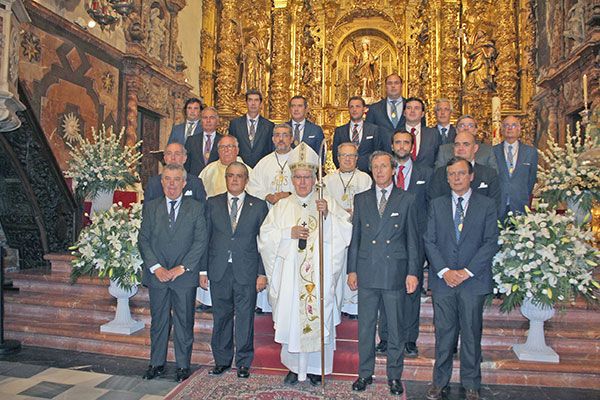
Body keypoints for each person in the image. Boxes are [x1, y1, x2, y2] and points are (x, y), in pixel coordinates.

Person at [258, 143, 352, 386]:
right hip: (291, 277)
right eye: (298, 177)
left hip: (318, 277)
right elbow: (265, 238)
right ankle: (293, 367)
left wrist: (328, 217)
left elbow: (346, 233)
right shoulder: (281, 207)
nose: (302, 182)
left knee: (316, 318)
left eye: (307, 177)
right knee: (293, 320)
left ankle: (314, 369)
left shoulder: (326, 201)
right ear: (292, 179)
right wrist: (287, 233)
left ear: (314, 179)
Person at [424, 157, 499, 400]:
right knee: (444, 334)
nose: (456, 178)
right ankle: (440, 382)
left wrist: (466, 272)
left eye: (461, 173)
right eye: (452, 174)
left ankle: (471, 384)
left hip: (472, 282)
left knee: (471, 333)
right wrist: (445, 271)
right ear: (447, 178)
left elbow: (490, 242)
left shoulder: (486, 205)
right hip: (443, 281)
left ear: (471, 176)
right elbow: (430, 241)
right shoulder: (437, 204)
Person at [347, 151, 419, 396]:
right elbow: (355, 238)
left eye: (384, 167)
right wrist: (352, 269)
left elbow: (413, 241)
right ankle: (364, 374)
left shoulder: (406, 199)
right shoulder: (361, 199)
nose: (379, 171)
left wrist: (412, 272)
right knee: (365, 328)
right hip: (367, 272)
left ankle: (394, 376)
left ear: (393, 169)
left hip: (394, 273)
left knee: (396, 329)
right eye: (375, 167)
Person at [138, 164, 207, 383]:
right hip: (157, 275)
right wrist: (155, 267)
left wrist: (182, 267)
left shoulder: (195, 208)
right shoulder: (151, 207)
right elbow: (144, 239)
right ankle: (156, 363)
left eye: (176, 179)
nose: (171, 184)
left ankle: (182, 366)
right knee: (158, 321)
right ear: (162, 181)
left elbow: (200, 241)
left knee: (184, 322)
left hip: (183, 277)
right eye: (167, 179)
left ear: (184, 183)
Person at [202, 162, 269, 379]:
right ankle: (221, 361)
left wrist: (262, 273)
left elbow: (264, 243)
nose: (234, 179)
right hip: (219, 269)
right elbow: (205, 238)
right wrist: (203, 270)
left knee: (245, 317)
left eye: (239, 176)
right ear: (226, 178)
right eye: (230, 175)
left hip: (246, 271)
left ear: (246, 179)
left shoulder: (258, 205)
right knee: (221, 317)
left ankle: (243, 362)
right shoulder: (212, 203)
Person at [377, 131, 433, 357]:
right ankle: (386, 337)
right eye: (397, 142)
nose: (401, 146)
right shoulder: (383, 174)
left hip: (414, 241)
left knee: (411, 292)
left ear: (412, 146)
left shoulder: (425, 174)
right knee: (385, 290)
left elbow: (431, 209)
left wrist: (427, 246)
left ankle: (410, 339)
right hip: (387, 242)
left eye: (406, 142)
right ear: (391, 145)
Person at [247, 123, 296, 313]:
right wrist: (269, 195)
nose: (281, 139)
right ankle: (264, 303)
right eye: (277, 135)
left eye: (285, 135)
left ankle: (287, 302)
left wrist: (289, 194)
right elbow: (253, 186)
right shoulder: (264, 163)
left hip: (291, 219)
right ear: (273, 138)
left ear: (291, 138)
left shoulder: (300, 159)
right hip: (269, 219)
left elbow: (310, 184)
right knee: (266, 252)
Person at [198, 135, 252, 309]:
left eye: (230, 147)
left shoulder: (248, 170)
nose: (226, 150)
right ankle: (208, 301)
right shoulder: (208, 170)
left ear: (237, 150)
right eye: (222, 147)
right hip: (216, 235)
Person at [323, 142, 372, 319]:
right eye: (344, 156)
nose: (347, 159)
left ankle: (353, 307)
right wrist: (342, 213)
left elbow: (368, 203)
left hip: (357, 229)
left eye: (351, 156)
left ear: (357, 159)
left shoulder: (365, 179)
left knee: (354, 265)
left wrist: (354, 212)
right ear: (337, 158)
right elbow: (324, 204)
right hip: (335, 232)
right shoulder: (328, 180)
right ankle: (336, 305)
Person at [428, 130, 502, 215]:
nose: (461, 148)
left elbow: (494, 206)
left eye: (466, 144)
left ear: (475, 148)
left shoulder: (489, 174)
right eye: (457, 144)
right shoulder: (441, 173)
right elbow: (434, 204)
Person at [493, 115, 538, 221]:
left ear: (519, 129)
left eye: (513, 125)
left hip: (520, 204)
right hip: (498, 205)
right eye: (506, 125)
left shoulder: (530, 152)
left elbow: (531, 179)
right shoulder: (493, 151)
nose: (509, 128)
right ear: (502, 130)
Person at [332, 96, 381, 173]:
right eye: (351, 107)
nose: (354, 110)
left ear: (364, 109)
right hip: (346, 175)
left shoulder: (373, 129)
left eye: (358, 106)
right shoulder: (340, 131)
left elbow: (377, 153)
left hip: (368, 174)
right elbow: (335, 155)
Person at [228, 90, 275, 168]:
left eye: (256, 100)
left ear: (260, 104)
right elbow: (232, 147)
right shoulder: (235, 124)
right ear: (246, 103)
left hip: (262, 168)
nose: (253, 103)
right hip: (240, 168)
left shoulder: (269, 126)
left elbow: (270, 149)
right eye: (250, 100)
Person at [364, 73, 406, 152]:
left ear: (401, 86)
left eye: (396, 83)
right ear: (385, 87)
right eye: (390, 83)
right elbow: (369, 134)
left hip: (406, 155)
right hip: (382, 155)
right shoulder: (374, 109)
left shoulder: (410, 107)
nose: (393, 86)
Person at [399, 97, 441, 169]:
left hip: (428, 178)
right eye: (409, 108)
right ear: (404, 113)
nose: (412, 111)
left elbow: (438, 159)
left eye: (416, 108)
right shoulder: (396, 134)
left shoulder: (433, 134)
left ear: (422, 114)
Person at [185, 107, 222, 176]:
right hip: (195, 182)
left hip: (216, 182)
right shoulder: (191, 141)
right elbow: (186, 166)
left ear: (217, 121)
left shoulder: (223, 141)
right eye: (205, 118)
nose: (208, 121)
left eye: (212, 118)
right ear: (201, 121)